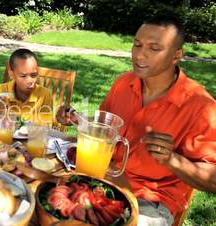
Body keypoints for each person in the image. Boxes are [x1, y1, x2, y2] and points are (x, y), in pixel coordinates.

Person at [57, 15, 216, 226]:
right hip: (104, 180)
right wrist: (77, 119)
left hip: (152, 201)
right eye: (137, 44)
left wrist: (172, 159)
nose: (140, 55)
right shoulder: (124, 83)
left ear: (176, 55)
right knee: (40, 199)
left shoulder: (202, 106)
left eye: (154, 48)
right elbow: (104, 132)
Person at [0, 48, 53, 125]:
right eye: (23, 76)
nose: (29, 81)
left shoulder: (44, 95)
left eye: (34, 75)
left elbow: (46, 128)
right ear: (11, 74)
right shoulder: (0, 91)